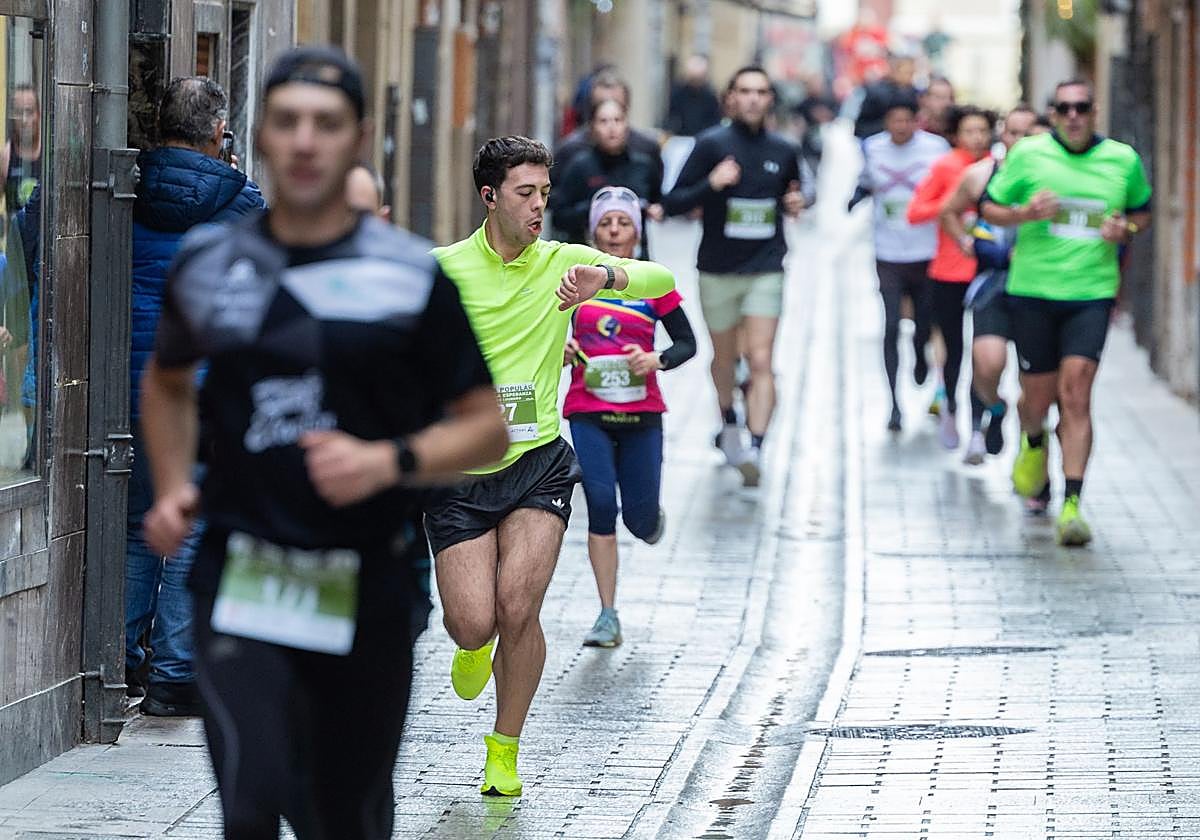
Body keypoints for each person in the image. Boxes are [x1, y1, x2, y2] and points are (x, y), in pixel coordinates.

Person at [140, 45, 509, 838]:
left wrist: (390, 460)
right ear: (261, 137)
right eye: (288, 122)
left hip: (365, 581)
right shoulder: (211, 263)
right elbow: (168, 379)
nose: (306, 140)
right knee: (250, 801)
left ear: (358, 138)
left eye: (326, 124)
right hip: (241, 576)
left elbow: (485, 425)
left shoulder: (410, 276)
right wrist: (173, 483)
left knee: (343, 814)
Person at [428, 136, 674, 797]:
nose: (540, 206)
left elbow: (663, 281)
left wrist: (609, 277)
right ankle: (472, 645)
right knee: (473, 619)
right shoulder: (444, 269)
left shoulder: (565, 262)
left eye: (545, 193)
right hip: (461, 472)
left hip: (538, 462)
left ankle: (504, 749)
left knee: (518, 607)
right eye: (525, 194)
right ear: (489, 197)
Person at [126, 76, 267, 716]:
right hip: (202, 389)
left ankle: (123, 658)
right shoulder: (242, 203)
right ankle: (175, 671)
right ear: (219, 134)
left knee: (135, 524)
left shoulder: (122, 186)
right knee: (194, 520)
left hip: (122, 382)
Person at [982, 79, 1151, 545]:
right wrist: (1024, 214)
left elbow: (1142, 212)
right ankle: (1033, 439)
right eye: (1063, 108)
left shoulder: (1122, 159)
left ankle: (1072, 503)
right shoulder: (1029, 155)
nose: (1073, 115)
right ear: (1052, 113)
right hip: (1033, 292)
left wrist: (1126, 229)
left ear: (1094, 111)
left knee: (1076, 395)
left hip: (1091, 294)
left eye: (1081, 107)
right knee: (1035, 400)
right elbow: (989, 207)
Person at [563, 187, 696, 647]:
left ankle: (649, 519)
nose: (615, 231)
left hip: (642, 416)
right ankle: (607, 614)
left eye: (623, 223)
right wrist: (561, 350)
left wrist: (656, 361)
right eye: (606, 224)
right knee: (600, 504)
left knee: (639, 522)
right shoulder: (572, 283)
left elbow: (687, 344)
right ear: (593, 232)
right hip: (588, 410)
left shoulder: (655, 283)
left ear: (637, 235)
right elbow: (538, 335)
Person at [664, 66, 805, 486]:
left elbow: (793, 195)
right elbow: (672, 202)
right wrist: (712, 183)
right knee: (724, 358)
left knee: (761, 359)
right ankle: (728, 421)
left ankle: (757, 447)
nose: (752, 99)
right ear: (730, 98)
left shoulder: (784, 149)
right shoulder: (711, 145)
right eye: (744, 91)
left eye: (761, 92)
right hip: (717, 269)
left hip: (766, 267)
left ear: (770, 100)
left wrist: (796, 202)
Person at [938, 105, 1044, 469]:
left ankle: (1030, 457)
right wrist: (966, 241)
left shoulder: (1053, 179)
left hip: (1039, 289)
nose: (1019, 141)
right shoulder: (981, 175)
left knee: (1035, 384)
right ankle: (993, 410)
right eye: (1012, 133)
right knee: (986, 364)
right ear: (1003, 135)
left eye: (1028, 133)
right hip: (993, 285)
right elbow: (948, 211)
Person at [849, 93, 949, 431]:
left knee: (924, 323)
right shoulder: (873, 148)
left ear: (916, 120)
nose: (901, 127)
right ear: (886, 122)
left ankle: (921, 354)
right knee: (890, 326)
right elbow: (864, 182)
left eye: (907, 120)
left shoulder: (935, 149)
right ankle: (894, 403)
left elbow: (951, 187)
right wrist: (854, 199)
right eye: (894, 121)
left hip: (926, 251)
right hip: (888, 251)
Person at [906, 105, 994, 450]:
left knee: (984, 351)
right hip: (948, 269)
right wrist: (951, 206)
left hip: (987, 271)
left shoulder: (999, 168)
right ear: (956, 135)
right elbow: (916, 212)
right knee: (953, 347)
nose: (977, 138)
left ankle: (977, 423)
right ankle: (951, 406)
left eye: (983, 130)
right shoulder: (946, 166)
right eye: (969, 131)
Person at [551, 71, 664, 234]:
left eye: (617, 117)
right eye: (603, 118)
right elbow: (556, 207)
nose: (611, 126)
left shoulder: (646, 153)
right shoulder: (572, 153)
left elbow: (658, 199)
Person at [851, 53, 918, 139]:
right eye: (906, 72)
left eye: (912, 72)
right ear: (894, 70)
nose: (910, 76)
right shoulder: (876, 93)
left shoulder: (914, 93)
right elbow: (861, 127)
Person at [665, 54, 722, 137]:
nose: (695, 83)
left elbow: (714, 120)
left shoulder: (710, 96)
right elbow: (672, 116)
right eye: (693, 79)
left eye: (698, 79)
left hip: (704, 136)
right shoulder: (678, 93)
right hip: (681, 137)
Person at [918, 76, 955, 140]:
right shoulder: (916, 129)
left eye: (949, 98)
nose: (945, 102)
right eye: (939, 97)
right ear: (926, 100)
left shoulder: (957, 131)